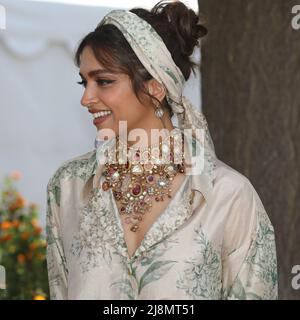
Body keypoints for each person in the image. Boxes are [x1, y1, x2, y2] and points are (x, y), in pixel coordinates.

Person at [46, 0, 278, 300]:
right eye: (84, 82)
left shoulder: (228, 195)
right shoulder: (68, 188)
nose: (86, 98)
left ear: (156, 86)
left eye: (103, 81)